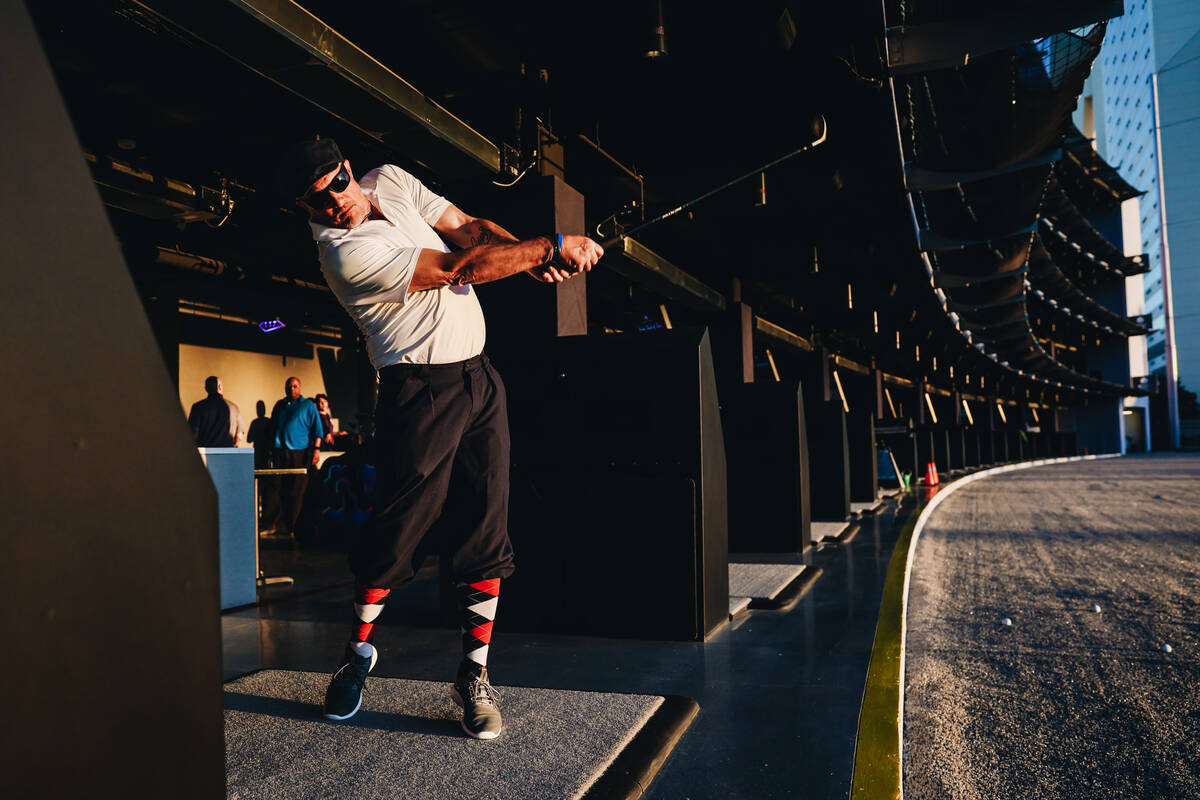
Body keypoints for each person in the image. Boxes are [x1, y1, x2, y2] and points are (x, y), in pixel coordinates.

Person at [282, 136, 602, 739]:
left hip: (480, 378)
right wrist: (547, 247)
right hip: (418, 391)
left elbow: (468, 231)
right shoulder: (342, 255)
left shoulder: (391, 181)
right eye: (317, 200)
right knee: (398, 530)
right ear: (305, 209)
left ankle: (474, 677)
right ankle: (356, 656)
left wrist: (527, 256)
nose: (336, 201)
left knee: (486, 525)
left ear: (349, 169)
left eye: (339, 182)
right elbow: (458, 268)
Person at [260, 376, 323, 537]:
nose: (292, 389)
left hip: (299, 453)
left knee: (296, 491)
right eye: (289, 386)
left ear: (300, 388)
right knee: (274, 489)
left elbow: (317, 430)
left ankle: (293, 526)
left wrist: (316, 450)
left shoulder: (308, 406)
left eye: (295, 386)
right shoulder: (280, 405)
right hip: (279, 452)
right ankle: (270, 524)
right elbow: (272, 426)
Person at [187, 376, 244, 448]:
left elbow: (193, 432)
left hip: (205, 453)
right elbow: (239, 435)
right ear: (219, 387)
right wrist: (233, 447)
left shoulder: (198, 407)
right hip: (228, 452)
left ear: (206, 389)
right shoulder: (234, 408)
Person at [245, 400, 272, 470]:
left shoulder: (255, 423)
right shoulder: (268, 422)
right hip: (266, 453)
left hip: (257, 453)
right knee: (266, 475)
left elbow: (248, 439)